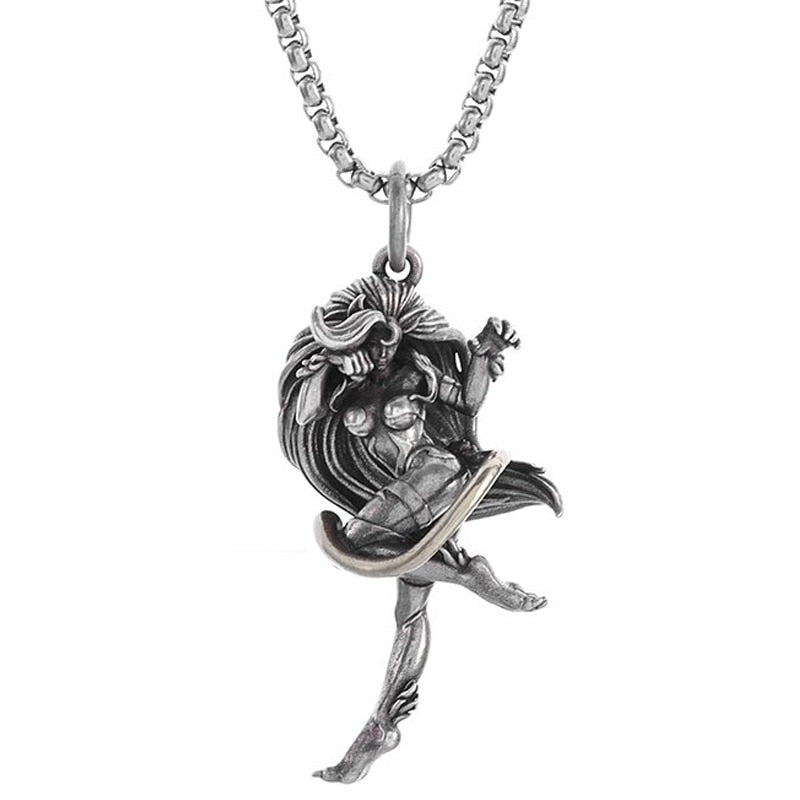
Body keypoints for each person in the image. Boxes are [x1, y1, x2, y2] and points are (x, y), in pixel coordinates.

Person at [279, 273, 561, 782]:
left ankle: (470, 576)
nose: (371, 354)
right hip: (406, 508)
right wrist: (327, 363)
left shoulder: (416, 373)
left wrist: (484, 353)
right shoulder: (344, 387)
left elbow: (467, 402)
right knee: (408, 611)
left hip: (436, 474)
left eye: (376, 342)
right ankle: (381, 726)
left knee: (353, 543)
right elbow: (304, 415)